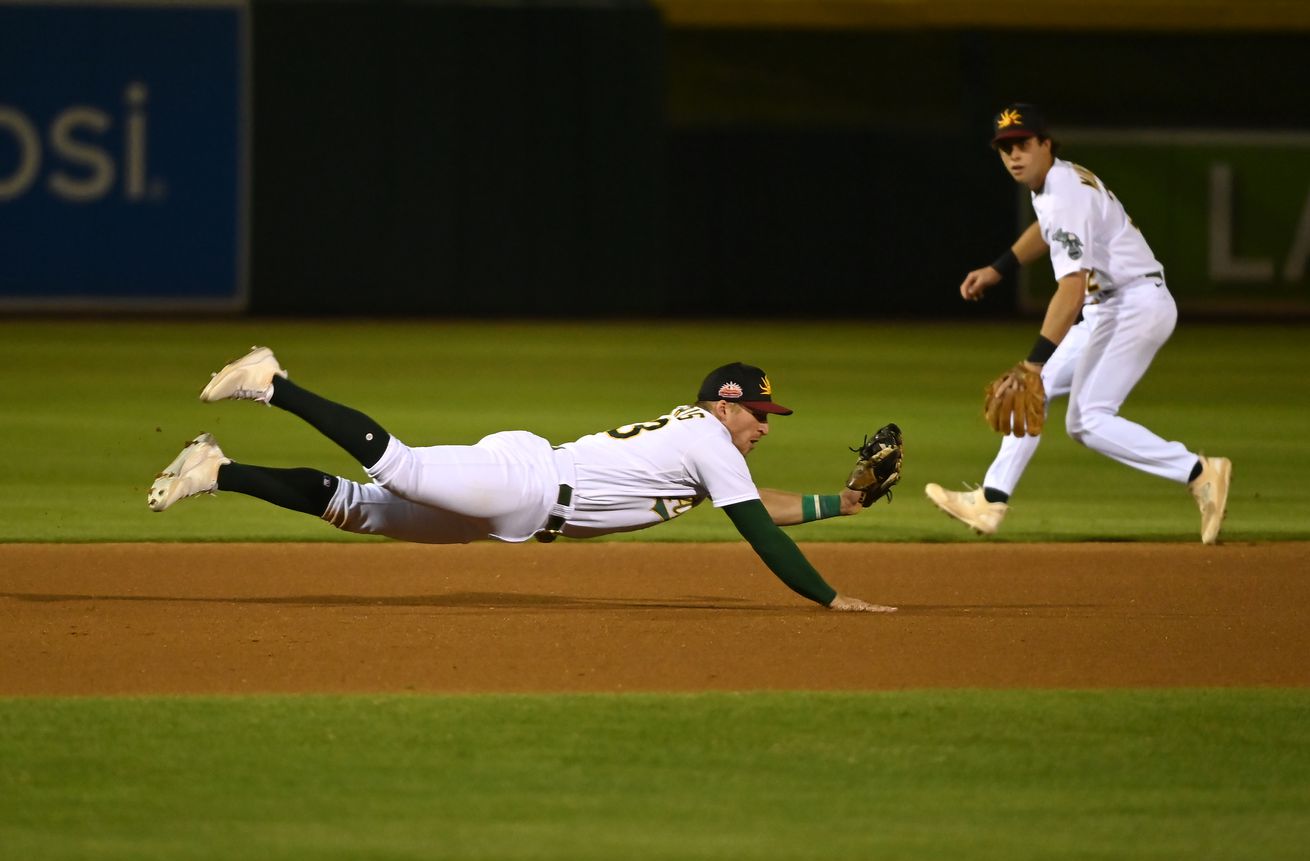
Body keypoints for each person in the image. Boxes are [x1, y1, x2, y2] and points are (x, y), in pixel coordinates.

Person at [147, 348, 896, 612]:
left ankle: (215, 467)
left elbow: (763, 505)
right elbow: (758, 531)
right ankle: (272, 381)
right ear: (726, 404)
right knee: (398, 467)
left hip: (524, 501)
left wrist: (849, 501)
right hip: (529, 483)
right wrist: (830, 596)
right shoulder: (711, 437)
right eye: (760, 413)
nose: (766, 426)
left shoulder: (709, 450)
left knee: (363, 511)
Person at [924, 103, 1232, 543]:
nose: (1014, 155)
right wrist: (998, 268)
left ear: (1046, 144)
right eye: (1005, 147)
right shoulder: (1055, 183)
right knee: (1039, 391)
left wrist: (1032, 362)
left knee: (1085, 419)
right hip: (1117, 303)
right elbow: (1045, 229)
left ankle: (1200, 471)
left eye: (1024, 144)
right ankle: (991, 499)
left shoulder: (1064, 192)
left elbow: (1070, 291)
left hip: (1133, 305)